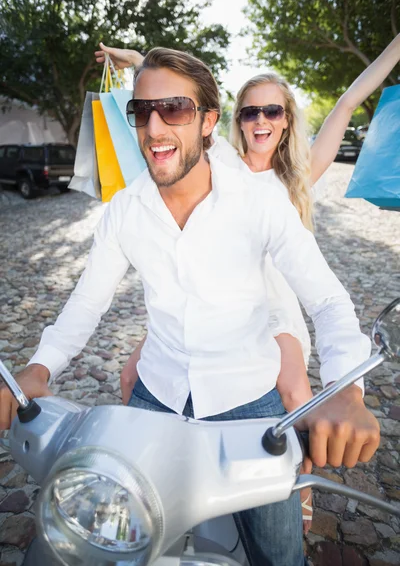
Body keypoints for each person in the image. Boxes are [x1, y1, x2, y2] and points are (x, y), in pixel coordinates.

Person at [0, 47, 380, 566]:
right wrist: (40, 366)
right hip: (156, 392)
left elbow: (328, 300)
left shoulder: (259, 201)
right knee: (110, 540)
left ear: (207, 122)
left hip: (251, 401)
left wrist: (345, 389)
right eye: (142, 111)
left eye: (174, 109)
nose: (155, 127)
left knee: (280, 553)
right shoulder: (123, 212)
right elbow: (87, 301)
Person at [95, 34, 400, 532]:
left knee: (296, 394)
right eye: (250, 113)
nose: (261, 121)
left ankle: (288, 496)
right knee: (134, 375)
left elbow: (348, 100)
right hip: (216, 300)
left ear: (287, 121)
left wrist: (394, 50)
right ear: (233, 121)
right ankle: (174, 486)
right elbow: (176, 105)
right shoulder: (224, 166)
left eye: (273, 113)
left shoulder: (300, 175)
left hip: (275, 311)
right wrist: (136, 61)